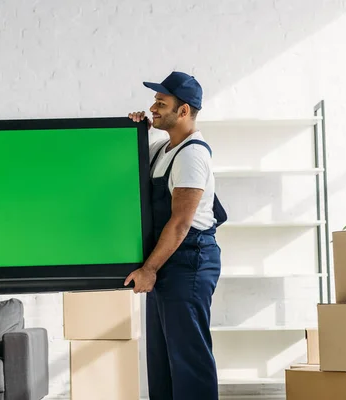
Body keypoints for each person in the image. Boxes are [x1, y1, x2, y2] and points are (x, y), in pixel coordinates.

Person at [125, 71, 226, 400]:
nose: (153, 107)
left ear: (183, 111)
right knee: (162, 360)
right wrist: (134, 132)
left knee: (188, 360)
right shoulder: (160, 149)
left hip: (189, 261)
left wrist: (149, 269)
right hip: (167, 260)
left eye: (161, 103)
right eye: (154, 101)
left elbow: (181, 222)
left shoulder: (193, 155)